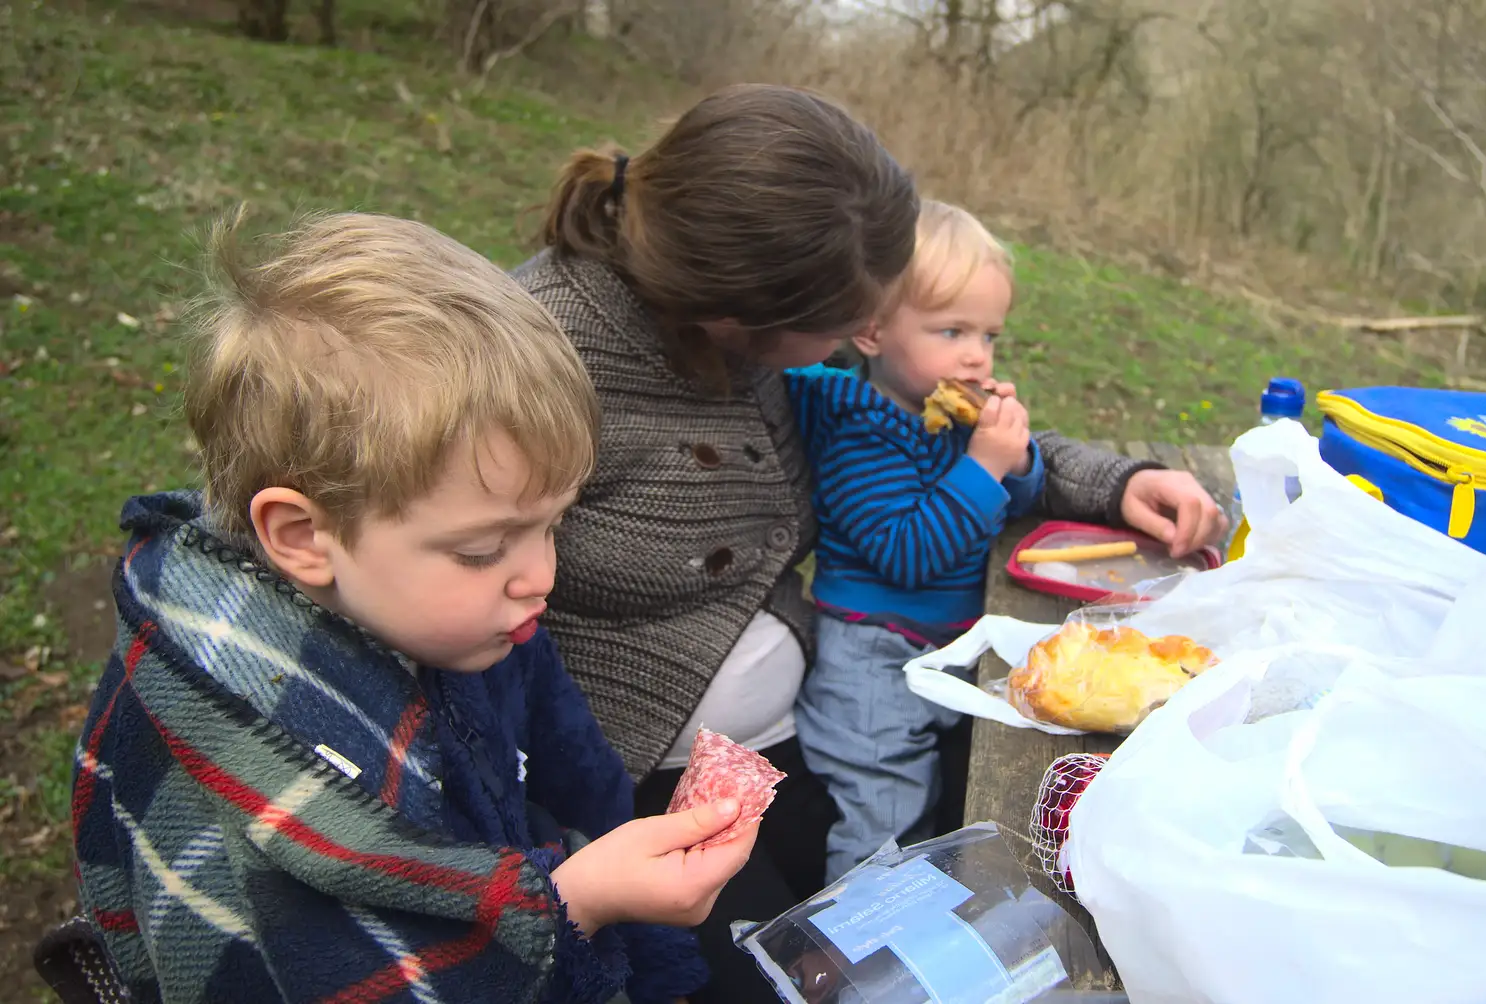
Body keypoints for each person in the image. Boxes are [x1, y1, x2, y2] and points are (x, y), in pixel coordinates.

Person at [514, 85, 1223, 1001]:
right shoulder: (542, 363)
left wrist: (1119, 481)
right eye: (852, 321)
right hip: (638, 779)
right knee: (791, 969)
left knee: (996, 853)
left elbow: (939, 429)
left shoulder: (788, 342)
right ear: (746, 318)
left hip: (791, 727)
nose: (870, 331)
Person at [65, 211, 753, 1004]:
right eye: (481, 549)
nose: (539, 575)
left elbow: (571, 761)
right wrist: (576, 904)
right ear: (301, 536)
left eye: (553, 524)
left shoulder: (454, 617)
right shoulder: (272, 790)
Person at [785, 200, 1224, 882]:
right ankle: (857, 948)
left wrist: (1017, 461)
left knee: (958, 783)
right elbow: (909, 552)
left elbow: (1006, 503)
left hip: (948, 640)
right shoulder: (859, 431)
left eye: (988, 335)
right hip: (871, 655)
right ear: (870, 331)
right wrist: (985, 465)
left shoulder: (951, 412)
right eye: (951, 329)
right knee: (883, 810)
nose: (974, 354)